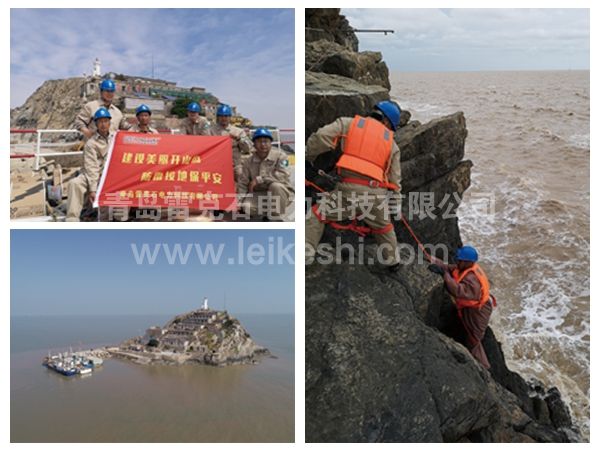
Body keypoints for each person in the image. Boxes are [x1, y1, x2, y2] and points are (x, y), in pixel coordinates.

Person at [305, 100, 402, 271]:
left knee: (317, 214)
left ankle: (305, 256)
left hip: (348, 191)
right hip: (376, 196)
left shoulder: (348, 123)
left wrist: (308, 157)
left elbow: (321, 136)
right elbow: (395, 181)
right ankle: (393, 262)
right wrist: (395, 207)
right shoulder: (392, 145)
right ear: (388, 122)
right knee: (384, 227)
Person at [429, 246, 496, 369]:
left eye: (460, 260)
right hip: (470, 309)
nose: (457, 262)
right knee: (466, 331)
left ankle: (483, 368)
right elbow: (450, 268)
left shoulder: (472, 281)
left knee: (474, 340)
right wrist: (432, 260)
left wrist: (444, 275)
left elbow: (457, 290)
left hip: (479, 312)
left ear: (468, 262)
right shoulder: (464, 267)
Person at [66, 107, 114, 221]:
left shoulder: (115, 138)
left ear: (109, 123)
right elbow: (91, 167)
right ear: (96, 124)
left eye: (105, 121)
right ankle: (72, 219)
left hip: (109, 174)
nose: (103, 124)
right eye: (100, 121)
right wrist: (93, 189)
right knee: (75, 183)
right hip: (92, 174)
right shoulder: (91, 144)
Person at [237, 128, 293, 221]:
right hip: (260, 193)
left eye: (266, 141)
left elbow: (283, 176)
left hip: (280, 193)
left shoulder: (280, 156)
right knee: (246, 207)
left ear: (270, 143)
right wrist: (239, 201)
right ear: (254, 144)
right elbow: (243, 183)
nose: (263, 144)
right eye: (259, 141)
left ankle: (275, 216)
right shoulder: (248, 161)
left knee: (276, 186)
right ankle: (267, 212)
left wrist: (259, 179)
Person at [211, 104, 252, 180]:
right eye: (221, 116)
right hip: (216, 164)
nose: (224, 118)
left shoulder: (238, 131)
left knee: (241, 176)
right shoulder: (211, 131)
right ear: (218, 117)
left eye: (226, 116)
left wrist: (238, 139)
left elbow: (248, 149)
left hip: (235, 165)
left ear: (230, 117)